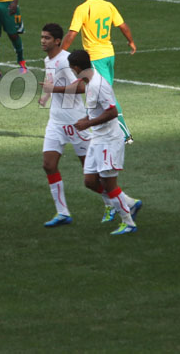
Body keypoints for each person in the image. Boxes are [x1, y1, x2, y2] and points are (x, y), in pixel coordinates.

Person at [65, 50, 142, 235]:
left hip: (109, 140)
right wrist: (85, 119)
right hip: (97, 139)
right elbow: (96, 111)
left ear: (76, 68)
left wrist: (87, 123)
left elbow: (112, 112)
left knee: (109, 185)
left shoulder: (99, 85)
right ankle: (129, 203)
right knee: (90, 181)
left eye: (71, 69)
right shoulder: (90, 83)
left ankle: (128, 222)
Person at [61, 0, 135, 143]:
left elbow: (72, 34)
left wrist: (60, 53)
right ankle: (97, 131)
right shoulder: (108, 5)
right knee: (96, 95)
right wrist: (131, 42)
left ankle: (125, 135)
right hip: (109, 55)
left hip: (95, 58)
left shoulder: (82, 9)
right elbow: (123, 26)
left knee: (107, 97)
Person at [38, 23, 96, 227]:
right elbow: (51, 80)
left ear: (57, 41)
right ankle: (62, 212)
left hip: (75, 121)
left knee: (90, 172)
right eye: (42, 37)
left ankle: (120, 203)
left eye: (46, 38)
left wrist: (53, 89)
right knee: (48, 165)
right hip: (56, 122)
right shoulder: (48, 60)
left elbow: (81, 86)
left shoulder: (66, 61)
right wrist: (46, 95)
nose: (42, 40)